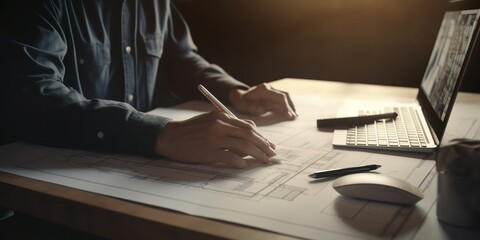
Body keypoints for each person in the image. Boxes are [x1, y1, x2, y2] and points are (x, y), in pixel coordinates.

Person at [0, 0, 297, 169]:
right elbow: (30, 93)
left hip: (136, 173)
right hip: (52, 187)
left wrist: (234, 92)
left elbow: (180, 58)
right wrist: (158, 133)